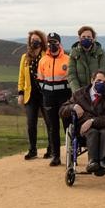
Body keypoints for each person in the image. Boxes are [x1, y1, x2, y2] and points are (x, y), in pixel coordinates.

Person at [58, 70, 105, 174]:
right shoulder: (79, 94)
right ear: (92, 80)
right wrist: (74, 106)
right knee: (93, 132)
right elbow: (62, 110)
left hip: (102, 126)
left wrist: (92, 121)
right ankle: (92, 162)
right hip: (83, 130)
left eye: (104, 82)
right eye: (99, 81)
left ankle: (103, 162)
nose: (101, 84)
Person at [37, 33, 72, 167]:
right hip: (49, 98)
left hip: (64, 97)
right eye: (50, 42)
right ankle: (56, 156)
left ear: (59, 44)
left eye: (55, 42)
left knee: (67, 126)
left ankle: (71, 154)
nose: (52, 45)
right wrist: (46, 92)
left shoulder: (67, 60)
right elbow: (39, 80)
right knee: (53, 128)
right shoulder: (43, 60)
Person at [17, 29, 51, 160]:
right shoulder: (25, 58)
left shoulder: (46, 56)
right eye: (32, 40)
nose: (34, 42)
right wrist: (20, 93)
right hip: (30, 95)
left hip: (45, 94)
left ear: (42, 42)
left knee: (49, 122)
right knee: (31, 123)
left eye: (37, 40)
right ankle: (32, 150)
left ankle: (51, 148)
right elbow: (21, 77)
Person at [67, 25, 105, 93]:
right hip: (81, 92)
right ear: (79, 38)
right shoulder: (74, 54)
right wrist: (77, 92)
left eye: (89, 37)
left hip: (97, 90)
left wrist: (100, 88)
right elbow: (71, 75)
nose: (86, 39)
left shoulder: (100, 53)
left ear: (93, 39)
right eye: (83, 37)